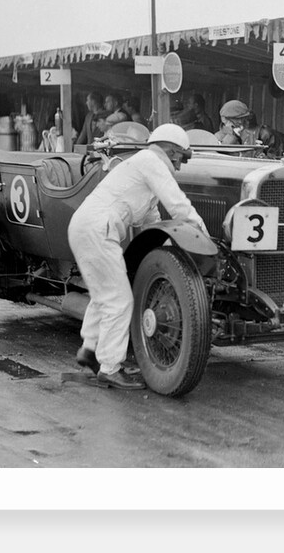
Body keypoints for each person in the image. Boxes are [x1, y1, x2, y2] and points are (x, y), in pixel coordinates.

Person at [67, 123, 209, 390]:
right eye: (183, 156)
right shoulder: (151, 161)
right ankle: (110, 369)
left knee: (104, 295)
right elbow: (178, 205)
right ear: (173, 151)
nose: (181, 164)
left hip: (87, 227)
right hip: (97, 229)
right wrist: (204, 236)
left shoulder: (142, 165)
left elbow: (152, 220)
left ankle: (89, 350)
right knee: (120, 300)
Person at [215, 99, 284, 159]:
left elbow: (278, 159)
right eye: (225, 122)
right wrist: (233, 136)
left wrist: (263, 157)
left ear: (240, 119)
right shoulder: (221, 135)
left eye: (228, 122)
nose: (226, 125)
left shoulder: (264, 133)